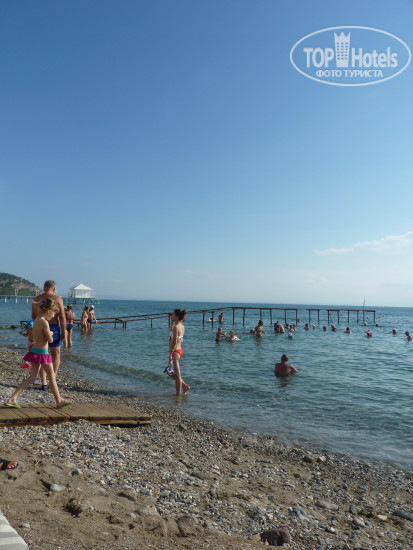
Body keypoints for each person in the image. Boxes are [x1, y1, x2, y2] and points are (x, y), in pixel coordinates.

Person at [5, 298, 73, 408]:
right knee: (52, 377)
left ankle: (12, 398)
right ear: (48, 311)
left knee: (32, 377)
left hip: (35, 351)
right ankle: (59, 401)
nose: (53, 317)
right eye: (53, 314)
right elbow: (50, 340)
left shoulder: (36, 320)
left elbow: (38, 336)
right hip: (43, 353)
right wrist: (51, 332)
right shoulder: (44, 322)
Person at [32, 280, 67, 389]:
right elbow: (62, 316)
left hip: (39, 325)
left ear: (44, 288)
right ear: (54, 288)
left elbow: (33, 316)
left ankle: (44, 383)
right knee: (56, 355)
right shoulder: (57, 299)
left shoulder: (36, 299)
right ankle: (53, 380)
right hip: (53, 328)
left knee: (43, 354)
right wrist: (64, 331)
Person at [169, 309, 190, 396]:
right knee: (169, 372)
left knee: (177, 375)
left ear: (177, 316)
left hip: (175, 352)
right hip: (179, 351)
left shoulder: (176, 327)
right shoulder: (180, 326)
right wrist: (171, 323)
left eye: (172, 315)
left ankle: (178, 396)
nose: (171, 316)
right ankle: (184, 386)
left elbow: (174, 342)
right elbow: (171, 334)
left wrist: (171, 353)